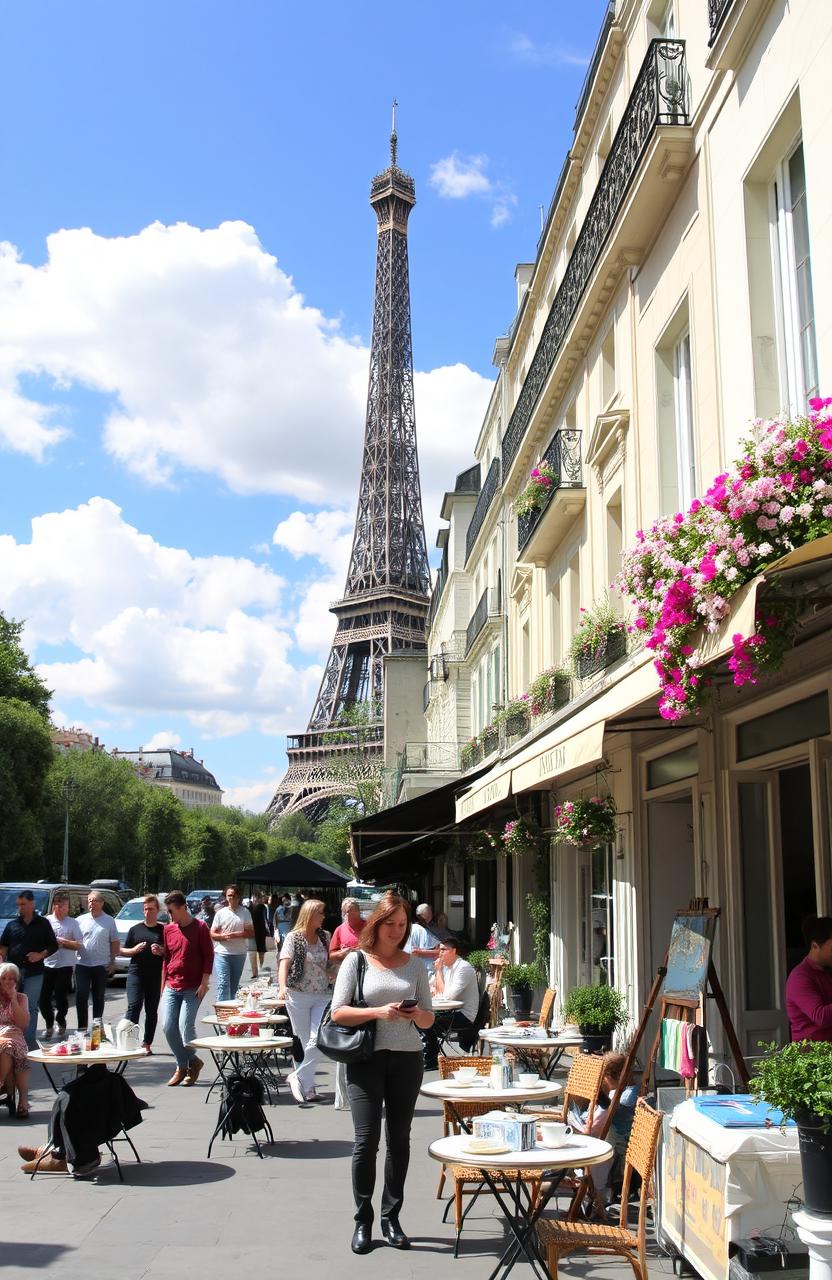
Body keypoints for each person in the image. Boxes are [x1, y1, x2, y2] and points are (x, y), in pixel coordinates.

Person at [331, 893, 434, 1254]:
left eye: (403, 924)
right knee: (366, 1141)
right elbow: (337, 1012)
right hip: (365, 1059)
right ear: (377, 923)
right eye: (390, 923)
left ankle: (392, 1216)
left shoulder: (414, 965)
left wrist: (415, 1014)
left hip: (406, 1058)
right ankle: (363, 1219)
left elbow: (429, 1018)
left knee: (400, 1139)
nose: (397, 930)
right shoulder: (357, 961)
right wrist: (378, 1013)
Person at [277, 899, 331, 1104]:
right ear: (310, 915)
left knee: (317, 1040)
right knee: (305, 1039)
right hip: (298, 994)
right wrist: (282, 987)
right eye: (321, 913)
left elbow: (329, 964)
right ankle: (308, 1088)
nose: (324, 917)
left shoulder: (325, 937)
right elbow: (284, 964)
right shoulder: (294, 937)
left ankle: (297, 1076)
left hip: (322, 994)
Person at [160, 891, 213, 1087]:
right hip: (172, 985)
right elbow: (167, 959)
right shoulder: (168, 929)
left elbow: (208, 956)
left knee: (185, 1027)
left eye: (172, 911)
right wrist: (162, 987)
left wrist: (204, 982)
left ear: (183, 907)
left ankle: (187, 1063)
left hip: (193, 987)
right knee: (167, 1026)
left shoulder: (200, 927)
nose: (170, 916)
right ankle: (187, 1063)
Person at [0, 889, 59, 1048]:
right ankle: (13, 1040)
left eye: (23, 904)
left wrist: (40, 955)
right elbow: (3, 946)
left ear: (32, 904)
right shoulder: (12, 925)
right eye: (18, 905)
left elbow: (53, 945)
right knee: (12, 1004)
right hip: (13, 974)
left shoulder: (43, 923)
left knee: (30, 1006)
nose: (20, 908)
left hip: (35, 972)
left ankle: (28, 1042)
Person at [329, 897, 364, 1110]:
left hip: (366, 979)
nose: (347, 915)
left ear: (357, 911)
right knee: (345, 1028)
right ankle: (344, 1096)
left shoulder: (368, 926)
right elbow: (331, 955)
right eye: (344, 911)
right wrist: (342, 953)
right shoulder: (340, 930)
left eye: (350, 911)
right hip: (345, 978)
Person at [120, 893, 165, 1054]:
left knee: (151, 1009)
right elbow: (122, 950)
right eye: (146, 909)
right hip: (136, 973)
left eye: (151, 909)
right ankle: (129, 1040)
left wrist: (161, 951)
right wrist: (132, 950)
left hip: (154, 975)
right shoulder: (135, 929)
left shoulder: (163, 930)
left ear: (158, 910)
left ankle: (147, 1043)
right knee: (134, 1005)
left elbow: (172, 952)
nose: (148, 912)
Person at [39, 891, 83, 1039]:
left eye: (65, 905)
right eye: (59, 905)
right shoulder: (46, 921)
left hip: (65, 965)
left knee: (60, 995)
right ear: (54, 906)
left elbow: (78, 945)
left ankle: (61, 1020)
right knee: (44, 997)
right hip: (47, 964)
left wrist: (63, 942)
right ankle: (49, 1024)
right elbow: (40, 942)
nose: (63, 908)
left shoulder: (73, 923)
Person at [75, 891, 120, 1032]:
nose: (91, 904)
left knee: (98, 997)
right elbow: (74, 941)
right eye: (89, 901)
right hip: (82, 964)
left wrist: (113, 961)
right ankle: (82, 1028)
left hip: (101, 965)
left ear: (101, 903)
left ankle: (96, 1029)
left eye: (94, 901)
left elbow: (114, 942)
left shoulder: (109, 921)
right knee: (81, 995)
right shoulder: (80, 920)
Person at [785, 915, 832, 1040]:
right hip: (811, 1054)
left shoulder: (827, 972)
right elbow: (821, 1017)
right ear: (815, 946)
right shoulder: (800, 977)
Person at [433, 936, 480, 1051]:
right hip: (452, 1011)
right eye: (440, 950)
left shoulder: (463, 968)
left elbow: (447, 997)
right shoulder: (448, 968)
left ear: (453, 951)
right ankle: (431, 1053)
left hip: (465, 1016)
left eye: (443, 950)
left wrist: (438, 971)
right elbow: (434, 988)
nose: (440, 953)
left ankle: (431, 1055)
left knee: (428, 1021)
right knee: (423, 1018)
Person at [210, 884, 254, 1000]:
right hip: (222, 952)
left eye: (234, 895)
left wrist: (236, 935)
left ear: (239, 897)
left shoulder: (245, 912)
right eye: (228, 895)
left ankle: (230, 1010)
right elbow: (212, 933)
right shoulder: (221, 913)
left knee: (233, 986)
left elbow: (250, 933)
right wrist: (221, 936)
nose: (231, 898)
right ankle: (222, 1011)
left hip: (239, 953)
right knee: (223, 983)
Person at [0, 962, 32, 1117]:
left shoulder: (21, 998)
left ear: (16, 981)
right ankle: (22, 1102)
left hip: (15, 1034)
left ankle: (23, 1101)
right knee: (7, 1045)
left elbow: (22, 1025)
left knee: (10, 1046)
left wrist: (13, 1000)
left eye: (12, 979)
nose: (7, 981)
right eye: (4, 978)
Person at [405, 903, 441, 972]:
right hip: (426, 970)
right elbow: (439, 951)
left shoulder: (406, 929)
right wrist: (421, 952)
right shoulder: (422, 930)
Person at [249, 890, 269, 978]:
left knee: (261, 951)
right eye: (254, 897)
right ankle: (255, 971)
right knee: (253, 952)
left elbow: (265, 919)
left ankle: (260, 967)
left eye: (257, 897)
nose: (255, 898)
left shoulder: (262, 907)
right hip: (252, 931)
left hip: (260, 931)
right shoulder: (250, 907)